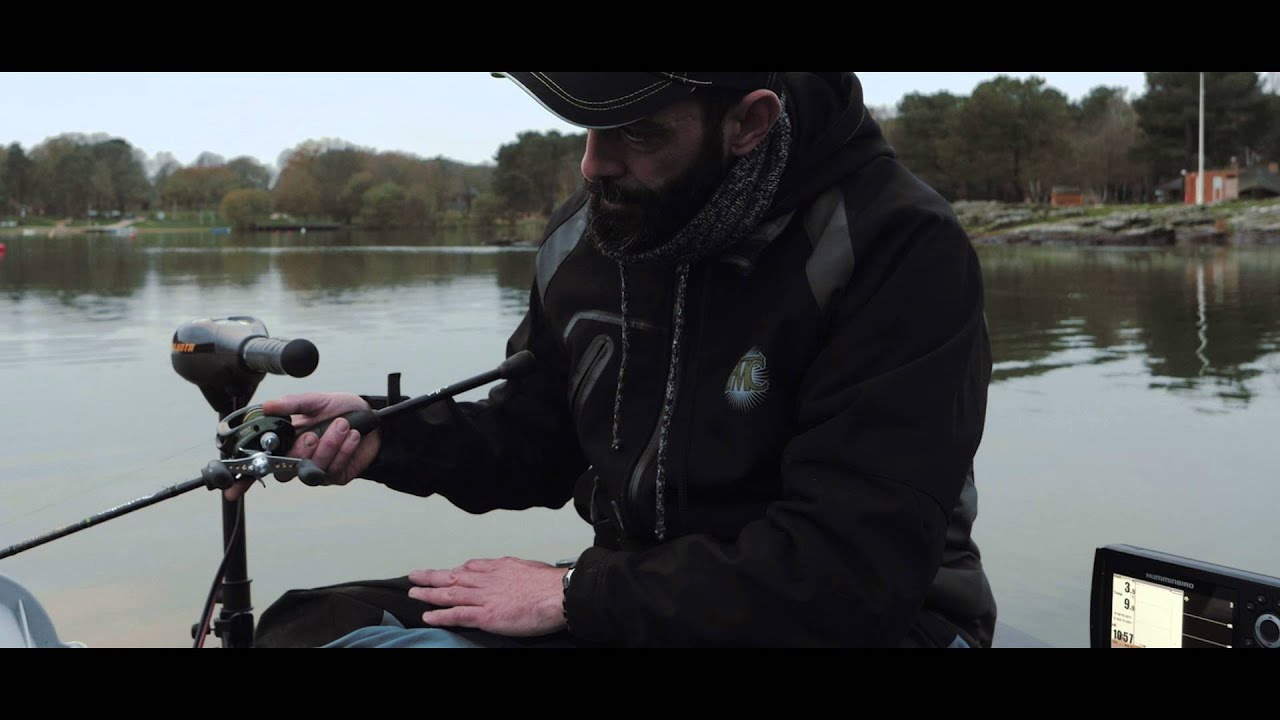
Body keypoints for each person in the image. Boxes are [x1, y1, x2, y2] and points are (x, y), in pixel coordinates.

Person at [236, 72, 997, 648]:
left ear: (748, 123)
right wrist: (389, 436)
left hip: (873, 625)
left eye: (637, 133)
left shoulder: (898, 247)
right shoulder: (595, 229)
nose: (593, 167)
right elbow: (539, 444)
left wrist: (572, 595)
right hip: (632, 600)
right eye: (585, 129)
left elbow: (851, 569)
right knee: (306, 629)